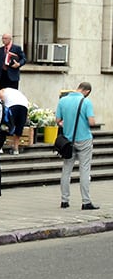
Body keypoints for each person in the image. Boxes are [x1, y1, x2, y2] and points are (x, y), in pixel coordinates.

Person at [56, 82, 99, 210]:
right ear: (86, 91)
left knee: (66, 170)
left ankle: (64, 200)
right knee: (84, 170)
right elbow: (91, 122)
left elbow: (58, 121)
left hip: (68, 141)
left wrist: (68, 125)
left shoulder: (62, 101)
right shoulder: (86, 102)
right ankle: (86, 201)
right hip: (84, 139)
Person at [0, 86, 30, 155]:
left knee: (5, 126)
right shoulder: (17, 92)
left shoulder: (3, 91)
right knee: (19, 127)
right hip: (24, 106)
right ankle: (15, 148)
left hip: (12, 106)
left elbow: (1, 99)